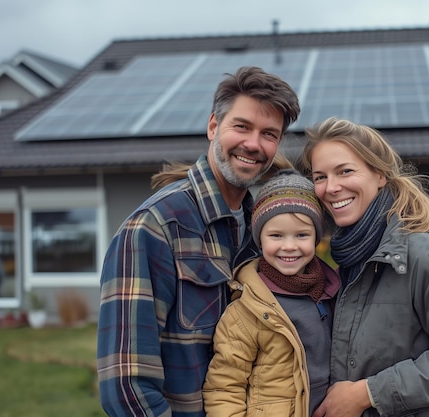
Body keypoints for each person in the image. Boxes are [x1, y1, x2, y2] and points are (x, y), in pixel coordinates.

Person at [97, 66, 300, 417]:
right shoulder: (155, 228)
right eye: (242, 126)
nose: (253, 144)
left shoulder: (262, 233)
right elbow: (127, 388)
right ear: (212, 127)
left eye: (269, 133)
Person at [301, 117, 429, 417]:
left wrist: (367, 394)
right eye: (319, 177)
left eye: (345, 171)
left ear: (379, 175)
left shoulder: (426, 254)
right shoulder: (352, 258)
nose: (331, 188)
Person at [203, 169, 340, 417]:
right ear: (260, 240)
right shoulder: (247, 309)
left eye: (301, 235)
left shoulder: (332, 292)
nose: (289, 246)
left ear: (317, 237)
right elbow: (224, 388)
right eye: (276, 235)